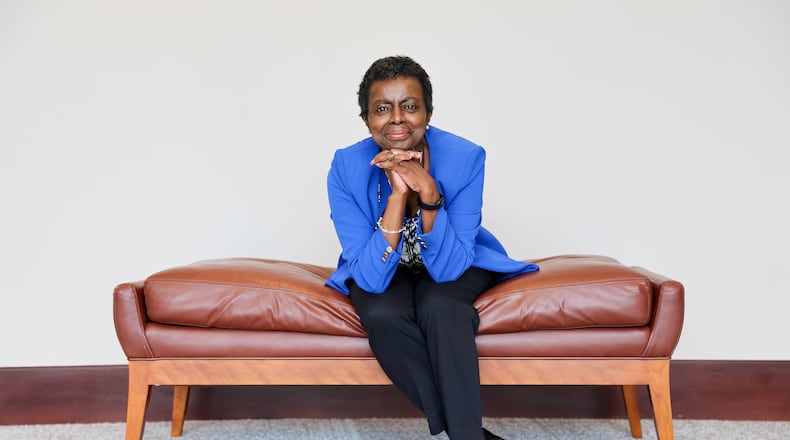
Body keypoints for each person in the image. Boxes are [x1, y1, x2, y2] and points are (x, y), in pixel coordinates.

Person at [326, 55, 539, 440]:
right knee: (382, 315)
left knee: (441, 306)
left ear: (428, 113)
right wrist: (395, 199)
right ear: (365, 119)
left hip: (456, 258)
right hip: (384, 266)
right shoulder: (345, 165)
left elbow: (450, 270)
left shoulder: (466, 157)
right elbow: (372, 280)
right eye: (381, 109)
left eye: (409, 106)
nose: (396, 119)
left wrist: (428, 193)